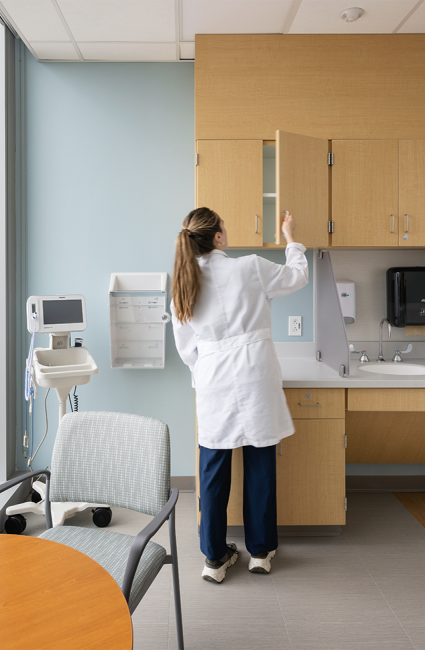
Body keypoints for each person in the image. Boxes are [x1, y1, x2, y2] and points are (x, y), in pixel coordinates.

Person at [171, 207, 309, 582]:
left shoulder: (183, 282)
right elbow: (297, 276)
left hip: (213, 379)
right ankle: (260, 553)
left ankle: (214, 560)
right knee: (260, 464)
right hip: (256, 375)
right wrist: (290, 236)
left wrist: (205, 370)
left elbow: (186, 348)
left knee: (212, 469)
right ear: (217, 237)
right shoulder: (250, 267)